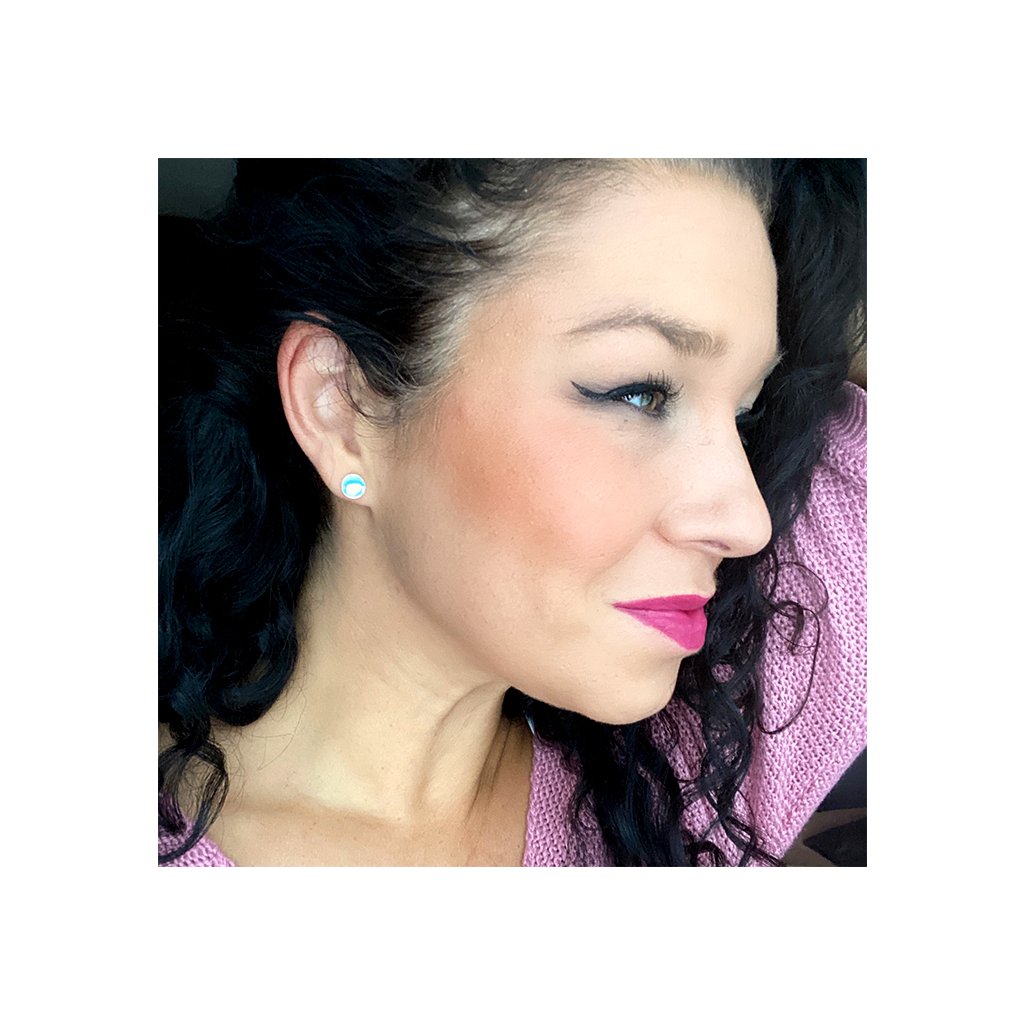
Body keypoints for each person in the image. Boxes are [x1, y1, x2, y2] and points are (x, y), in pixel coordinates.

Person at [159, 158, 866, 867]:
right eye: (639, 393)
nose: (748, 522)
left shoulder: (696, 771)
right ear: (344, 406)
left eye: (745, 414)